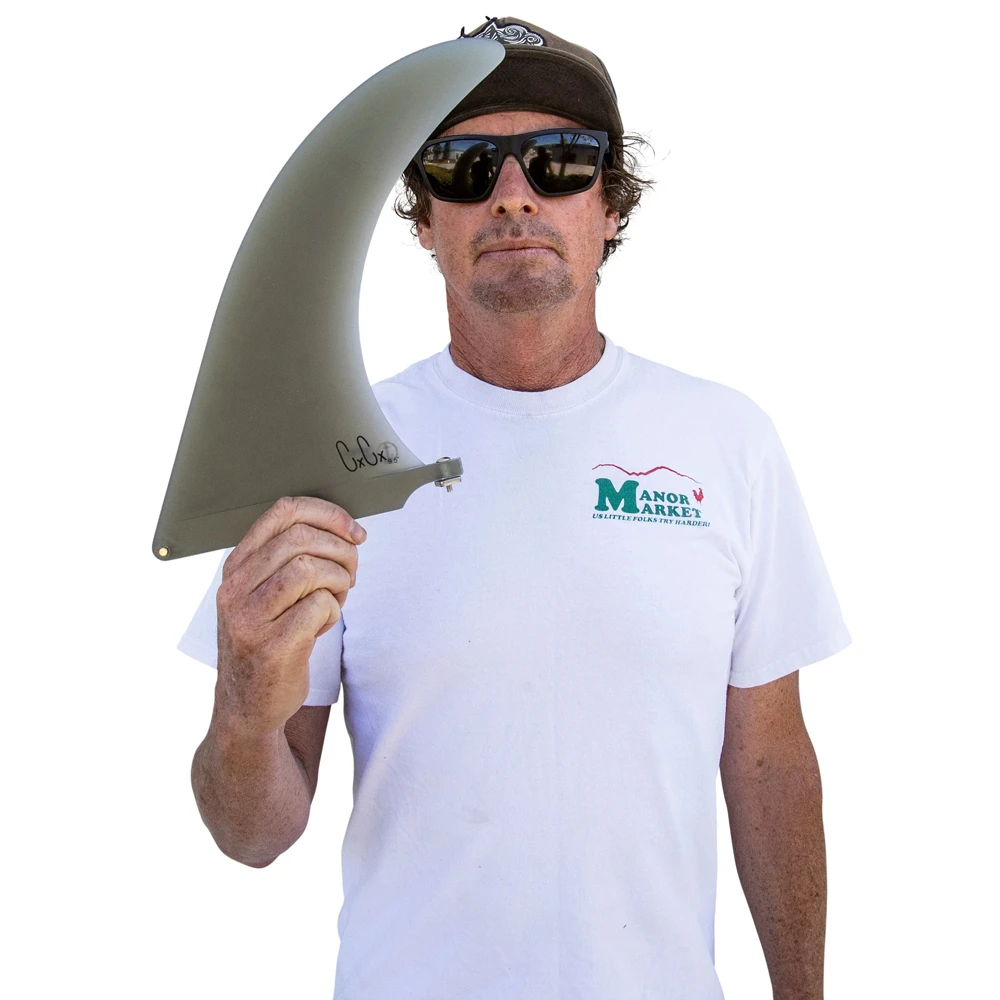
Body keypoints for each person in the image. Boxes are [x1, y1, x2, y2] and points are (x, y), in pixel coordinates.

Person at [178, 15, 851, 1000]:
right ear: (423, 219)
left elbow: (770, 764)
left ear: (610, 206)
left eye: (559, 161)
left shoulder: (726, 441)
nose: (513, 195)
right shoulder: (335, 462)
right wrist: (243, 700)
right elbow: (254, 833)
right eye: (463, 168)